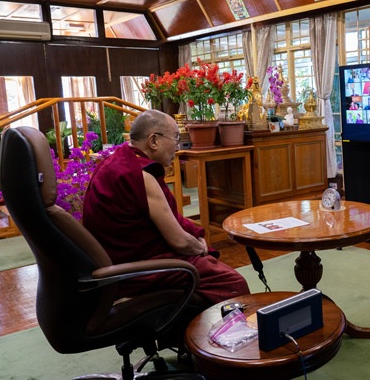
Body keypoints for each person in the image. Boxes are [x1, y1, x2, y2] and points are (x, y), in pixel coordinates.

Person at [82, 110, 250, 304]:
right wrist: (199, 247)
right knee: (233, 283)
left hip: (116, 265)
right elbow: (180, 242)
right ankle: (225, 333)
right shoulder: (140, 175)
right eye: (176, 139)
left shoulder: (114, 161)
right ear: (154, 141)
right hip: (136, 271)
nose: (177, 148)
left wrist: (195, 236)